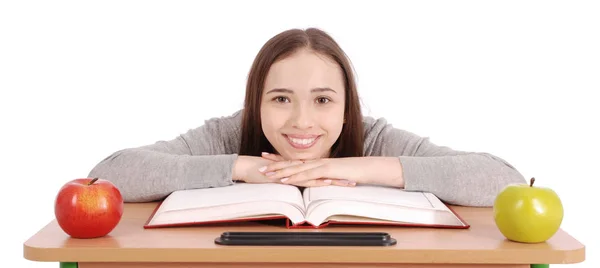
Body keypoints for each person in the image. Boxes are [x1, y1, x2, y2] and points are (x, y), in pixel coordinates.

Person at [88, 27, 526, 206]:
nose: (301, 122)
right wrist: (246, 168)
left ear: (347, 105)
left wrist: (352, 168)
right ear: (257, 101)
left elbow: (502, 179)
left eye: (322, 100)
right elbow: (111, 174)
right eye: (280, 99)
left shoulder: (373, 138)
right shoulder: (228, 134)